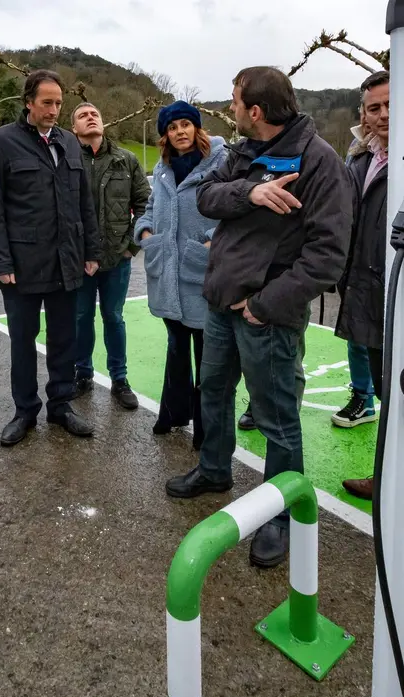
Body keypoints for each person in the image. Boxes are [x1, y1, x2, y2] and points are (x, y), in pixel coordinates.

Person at [169, 66, 353, 570]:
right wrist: (248, 193)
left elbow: (327, 257)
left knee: (276, 419)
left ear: (255, 110)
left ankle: (280, 511)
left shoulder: (320, 163)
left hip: (265, 317)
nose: (228, 109)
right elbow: (206, 199)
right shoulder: (242, 152)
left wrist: (262, 305)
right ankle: (213, 469)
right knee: (214, 391)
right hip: (220, 304)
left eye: (233, 101)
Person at [0, 69, 100, 446]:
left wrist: (91, 251)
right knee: (22, 341)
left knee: (65, 338)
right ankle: (25, 410)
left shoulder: (69, 141)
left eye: (59, 103)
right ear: (28, 102)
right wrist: (0, 263)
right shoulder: (2, 141)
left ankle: (61, 406)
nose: (54, 110)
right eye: (46, 102)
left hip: (67, 260)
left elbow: (85, 203)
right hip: (22, 264)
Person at [133, 101, 227, 447]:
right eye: (172, 128)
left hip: (201, 272)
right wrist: (145, 233)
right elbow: (149, 207)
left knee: (207, 356)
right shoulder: (162, 167)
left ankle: (205, 429)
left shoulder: (222, 162)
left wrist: (210, 243)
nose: (180, 132)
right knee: (175, 347)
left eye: (186, 124)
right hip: (167, 273)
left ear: (197, 128)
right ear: (165, 135)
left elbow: (237, 211)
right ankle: (173, 412)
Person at [71, 102, 150, 410]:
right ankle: (82, 374)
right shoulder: (66, 159)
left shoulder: (125, 160)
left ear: (102, 123)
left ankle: (120, 379)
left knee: (113, 318)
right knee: (81, 318)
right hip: (79, 259)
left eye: (95, 114)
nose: (90, 117)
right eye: (82, 115)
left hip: (117, 258)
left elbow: (145, 204)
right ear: (74, 127)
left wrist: (131, 246)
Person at [336, 70, 391, 500]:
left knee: (403, 392)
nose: (384, 114)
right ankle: (386, 476)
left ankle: (395, 479)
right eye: (375, 108)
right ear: (363, 114)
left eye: (391, 104)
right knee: (385, 387)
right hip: (364, 289)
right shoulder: (361, 160)